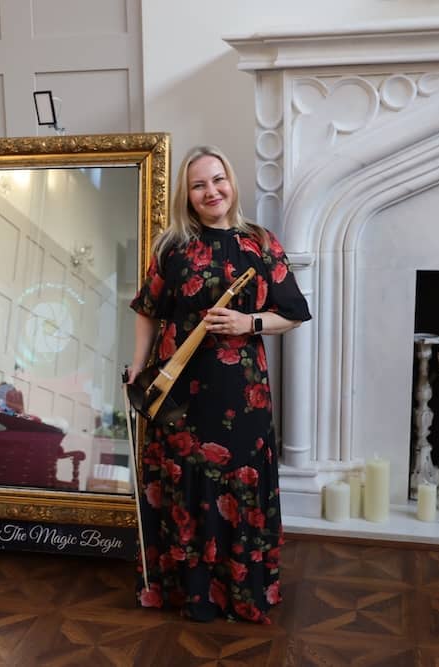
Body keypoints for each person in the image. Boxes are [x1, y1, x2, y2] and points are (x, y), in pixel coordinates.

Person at [128, 145, 311, 623]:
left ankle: (240, 592)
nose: (211, 191)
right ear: (187, 196)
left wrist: (247, 323)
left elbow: (292, 314)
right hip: (177, 387)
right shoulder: (171, 247)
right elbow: (147, 313)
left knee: (238, 482)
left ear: (231, 182)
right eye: (198, 185)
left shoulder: (260, 242)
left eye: (217, 180)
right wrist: (136, 368)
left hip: (240, 390)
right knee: (183, 481)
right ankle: (190, 594)